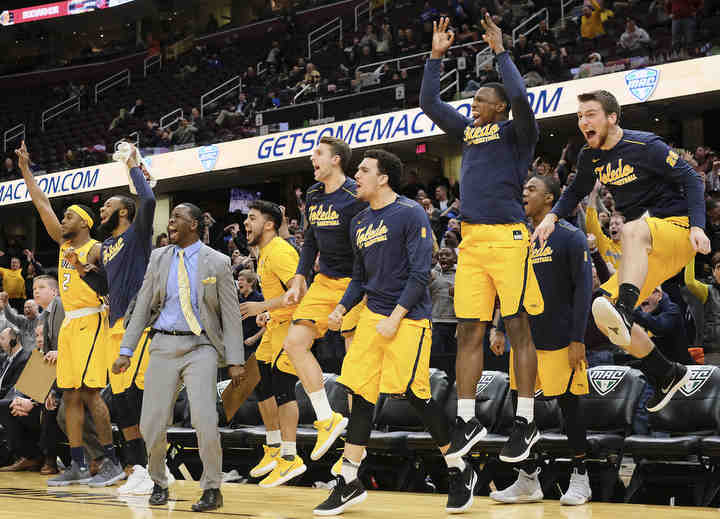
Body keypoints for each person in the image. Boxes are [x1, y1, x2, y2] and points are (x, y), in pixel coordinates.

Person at [314, 149, 476, 516]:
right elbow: (359, 278)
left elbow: (421, 274)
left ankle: (460, 469)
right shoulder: (358, 221)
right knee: (360, 394)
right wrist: (341, 308)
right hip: (372, 316)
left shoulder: (409, 212)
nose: (357, 176)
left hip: (409, 318)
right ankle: (349, 480)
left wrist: (396, 316)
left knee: (416, 395)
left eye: (364, 171)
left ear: (383, 177)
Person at [533, 90, 710, 413]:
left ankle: (627, 309)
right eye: (579, 116)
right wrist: (551, 217)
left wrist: (698, 226)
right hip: (643, 250)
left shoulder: (646, 145)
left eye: (590, 114)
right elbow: (574, 191)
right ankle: (666, 373)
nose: (583, 121)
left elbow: (693, 180)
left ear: (612, 118)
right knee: (604, 314)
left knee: (631, 230)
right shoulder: (590, 157)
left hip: (676, 230)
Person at [420, 16, 544, 463]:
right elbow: (430, 102)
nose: (472, 105)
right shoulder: (469, 133)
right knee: (468, 330)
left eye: (479, 100)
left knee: (517, 327)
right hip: (471, 243)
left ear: (498, 107)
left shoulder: (518, 133)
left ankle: (526, 421)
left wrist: (501, 51)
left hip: (509, 238)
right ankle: (468, 417)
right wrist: (436, 56)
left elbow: (521, 98)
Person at [112, 203, 246, 512]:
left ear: (195, 225)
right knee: (151, 424)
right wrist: (126, 351)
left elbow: (230, 315)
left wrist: (236, 359)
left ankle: (212, 487)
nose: (170, 223)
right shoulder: (158, 258)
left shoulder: (218, 262)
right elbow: (143, 304)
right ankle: (159, 480)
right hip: (162, 345)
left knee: (205, 419)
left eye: (176, 219)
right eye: (170, 218)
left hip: (201, 347)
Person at [15, 141, 124, 487]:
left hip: (92, 321)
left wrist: (84, 270)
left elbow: (106, 287)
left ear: (86, 223)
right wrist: (25, 172)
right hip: (69, 328)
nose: (63, 220)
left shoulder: (97, 249)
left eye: (70, 216)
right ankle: (76, 463)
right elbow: (42, 203)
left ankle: (111, 462)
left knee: (91, 394)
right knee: (71, 396)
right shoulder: (63, 246)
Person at [490, 175, 593, 505]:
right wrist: (498, 327)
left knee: (569, 409)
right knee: (521, 412)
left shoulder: (570, 237)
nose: (524, 193)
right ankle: (528, 480)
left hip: (561, 339)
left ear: (550, 199)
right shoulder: (518, 238)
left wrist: (578, 338)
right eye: (523, 189)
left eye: (531, 189)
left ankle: (581, 478)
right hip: (523, 340)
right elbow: (506, 287)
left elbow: (584, 292)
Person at [75, 144, 157, 494]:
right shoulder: (106, 247)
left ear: (124, 212)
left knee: (136, 399)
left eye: (108, 207)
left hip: (138, 325)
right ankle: (138, 468)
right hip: (114, 326)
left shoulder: (137, 236)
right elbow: (107, 286)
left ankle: (152, 467)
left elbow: (149, 202)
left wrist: (132, 166)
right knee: (121, 404)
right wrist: (85, 273)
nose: (102, 211)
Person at [282, 136, 366, 466]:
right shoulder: (314, 195)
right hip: (323, 282)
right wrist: (301, 277)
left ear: (336, 161)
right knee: (294, 344)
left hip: (355, 283)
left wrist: (347, 302)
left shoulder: (355, 197)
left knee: (353, 366)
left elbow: (364, 252)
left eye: (318, 153)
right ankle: (326, 418)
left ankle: (356, 448)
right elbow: (310, 241)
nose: (311, 158)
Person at [240, 201, 306, 487]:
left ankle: (290, 458)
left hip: (293, 326)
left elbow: (300, 292)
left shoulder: (279, 251)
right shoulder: (263, 253)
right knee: (260, 380)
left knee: (282, 387)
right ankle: (274, 447)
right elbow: (283, 295)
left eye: (252, 218)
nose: (245, 223)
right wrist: (268, 313)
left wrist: (261, 306)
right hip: (276, 323)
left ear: (269, 224)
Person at [684, 253, 720, 364]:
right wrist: (691, 252)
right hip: (714, 352)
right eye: (719, 267)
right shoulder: (707, 291)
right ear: (713, 272)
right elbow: (690, 281)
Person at [586, 180, 624, 268]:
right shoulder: (605, 244)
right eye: (611, 224)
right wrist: (593, 193)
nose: (613, 226)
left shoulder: (633, 247)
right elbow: (591, 224)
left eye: (617, 224)